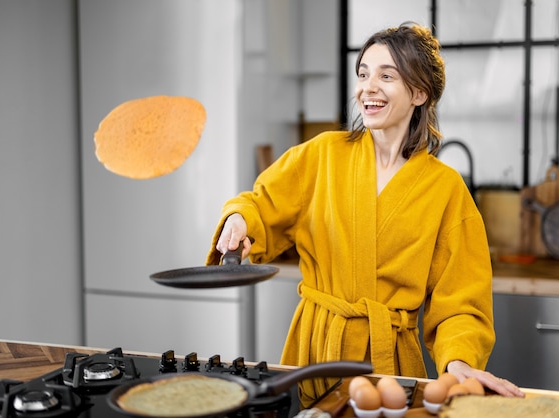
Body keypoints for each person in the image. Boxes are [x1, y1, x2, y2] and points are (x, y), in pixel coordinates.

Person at [206, 22, 525, 401]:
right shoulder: (321, 155)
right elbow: (260, 204)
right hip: (314, 354)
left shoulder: (446, 190)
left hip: (390, 368)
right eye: (363, 73)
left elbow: (461, 301)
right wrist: (240, 220)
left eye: (386, 76)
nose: (367, 87)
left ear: (419, 92)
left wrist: (459, 361)